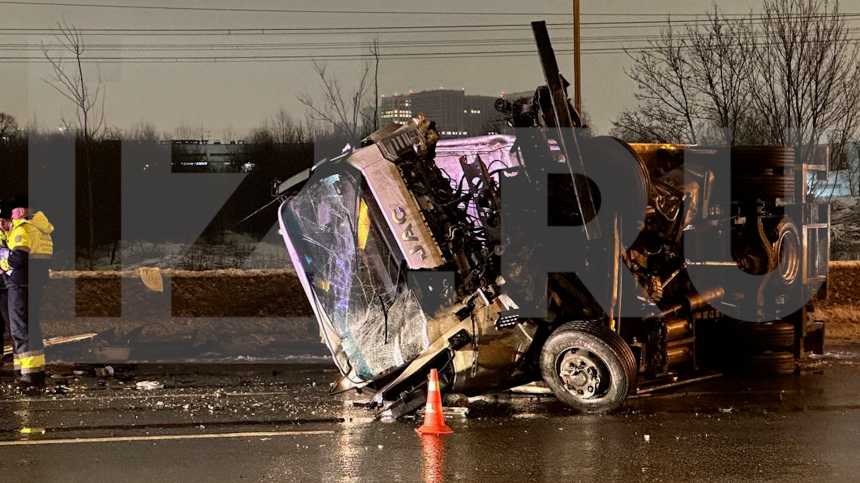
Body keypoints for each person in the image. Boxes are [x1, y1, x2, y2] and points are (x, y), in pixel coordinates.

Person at [1, 208, 54, 389]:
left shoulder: (24, 229)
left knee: (21, 329)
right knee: (29, 327)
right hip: (33, 282)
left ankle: (29, 375)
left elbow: (17, 259)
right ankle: (32, 372)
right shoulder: (40, 229)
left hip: (21, 282)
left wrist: (2, 262)